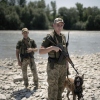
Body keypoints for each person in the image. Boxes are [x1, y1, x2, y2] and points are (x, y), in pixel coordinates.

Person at [39, 18, 69, 100]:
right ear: (53, 25)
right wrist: (52, 48)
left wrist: (67, 63)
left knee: (61, 88)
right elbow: (41, 51)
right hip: (53, 67)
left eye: (61, 25)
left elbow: (65, 51)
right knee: (53, 89)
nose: (60, 27)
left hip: (63, 66)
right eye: (58, 25)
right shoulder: (49, 37)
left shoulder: (63, 37)